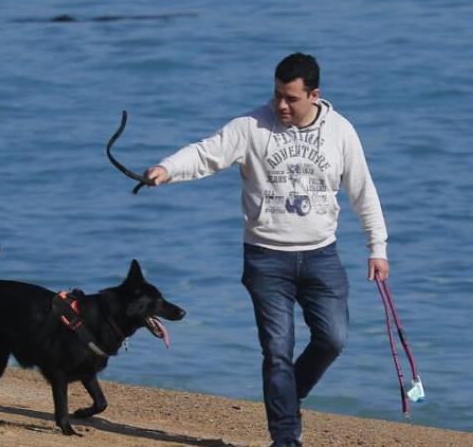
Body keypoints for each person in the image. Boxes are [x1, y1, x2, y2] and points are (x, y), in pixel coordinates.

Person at [144, 52, 389, 447]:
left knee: (333, 339)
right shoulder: (251, 126)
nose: (281, 105)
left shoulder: (341, 132)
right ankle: (285, 436)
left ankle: (288, 398)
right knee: (277, 350)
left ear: (314, 95)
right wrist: (167, 168)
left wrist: (378, 248)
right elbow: (208, 153)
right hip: (266, 258)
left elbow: (364, 192)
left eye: (291, 98)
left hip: (321, 256)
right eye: (277, 95)